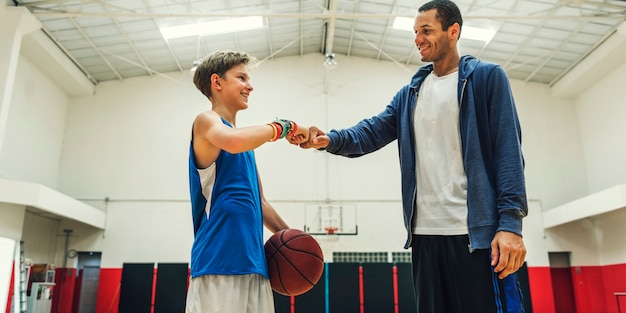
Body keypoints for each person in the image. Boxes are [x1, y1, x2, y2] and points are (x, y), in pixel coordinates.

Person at [299, 1, 528, 312]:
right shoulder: (411, 93)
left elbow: (508, 153)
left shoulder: (487, 79)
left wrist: (510, 225)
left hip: (475, 237)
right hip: (425, 237)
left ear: (453, 31)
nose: (418, 38)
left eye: (426, 31)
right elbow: (370, 132)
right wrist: (329, 139)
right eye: (415, 32)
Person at [186, 50, 309, 313]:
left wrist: (295, 241)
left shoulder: (245, 146)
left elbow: (260, 203)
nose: (249, 86)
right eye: (241, 77)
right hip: (218, 263)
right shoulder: (206, 122)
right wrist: (284, 126)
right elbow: (234, 142)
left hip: (255, 264)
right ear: (217, 82)